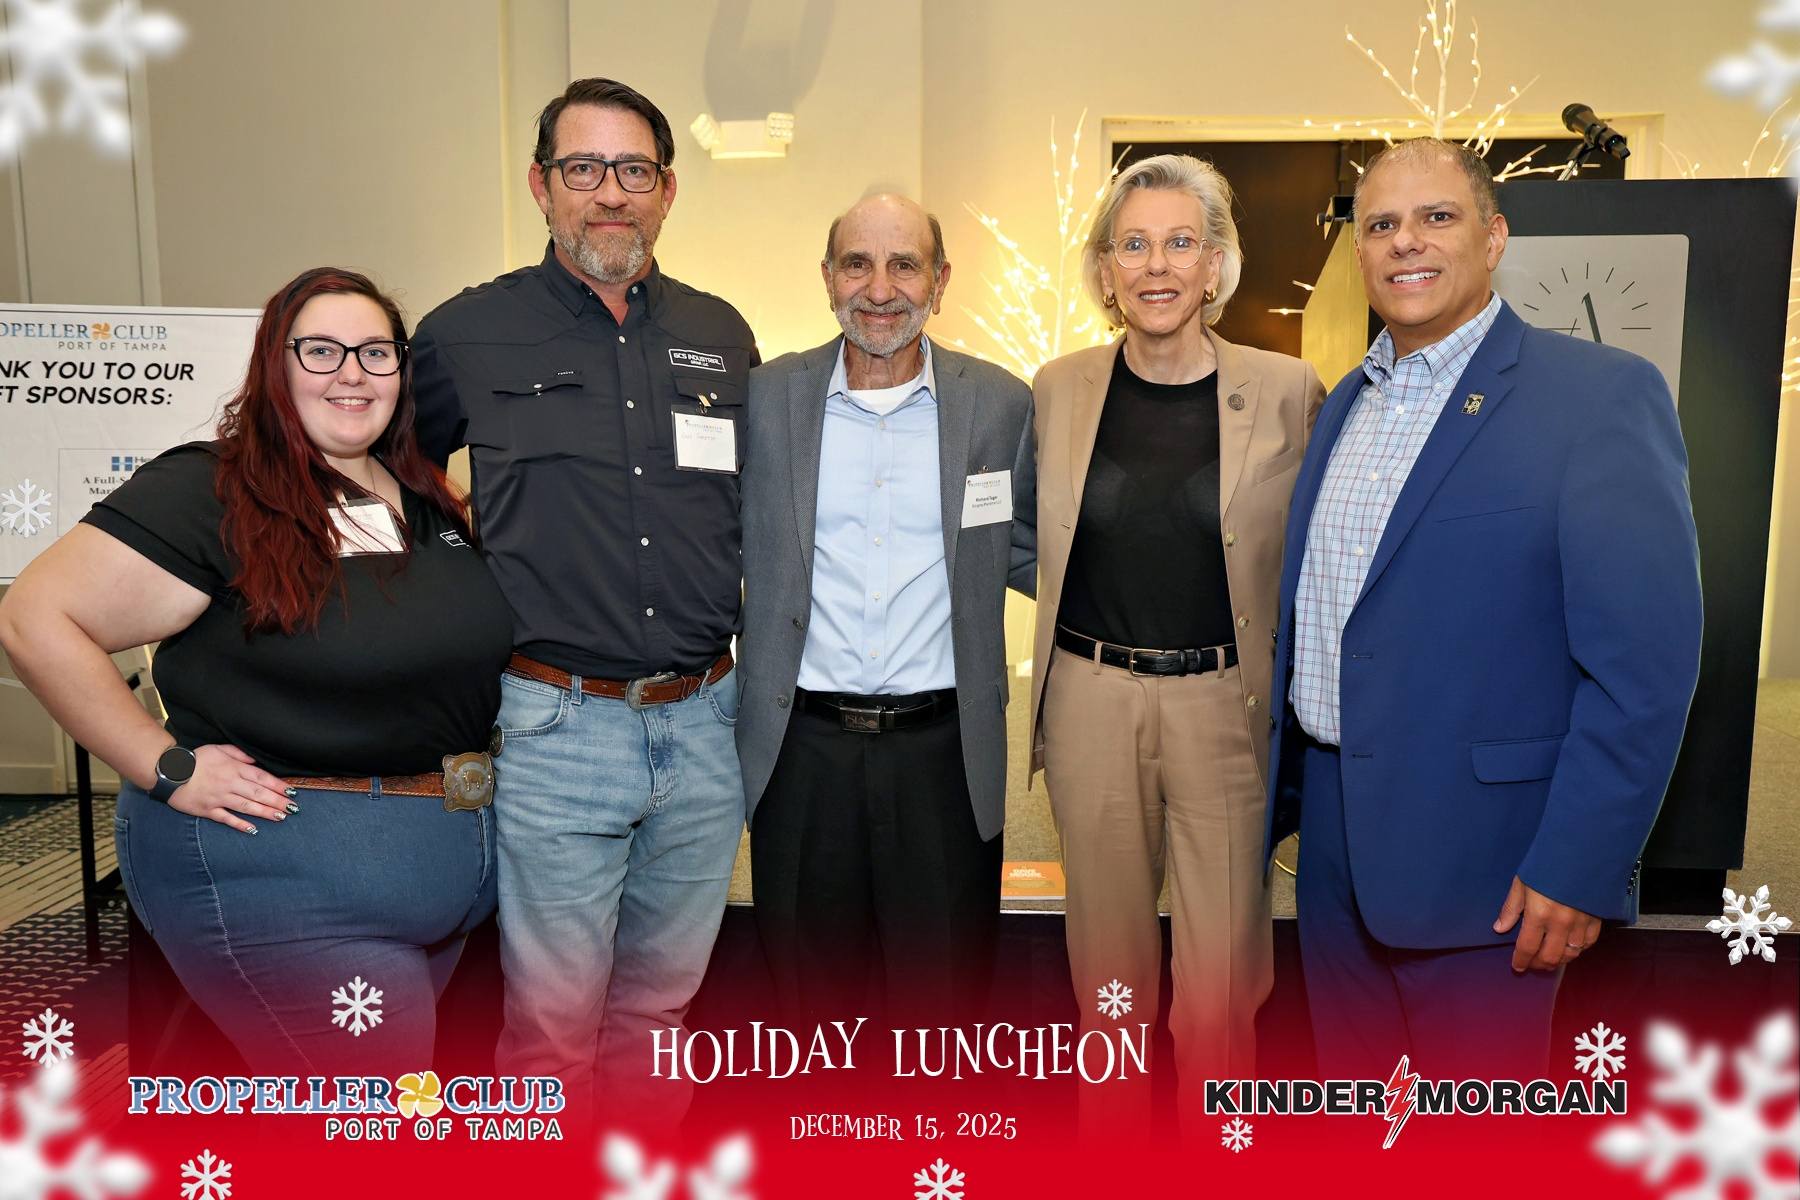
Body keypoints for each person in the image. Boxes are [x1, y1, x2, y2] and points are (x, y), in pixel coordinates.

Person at [0, 268, 511, 1073]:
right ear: (276, 364)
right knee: (372, 1127)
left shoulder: (421, 492)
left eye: (376, 352)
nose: (352, 372)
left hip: (439, 877)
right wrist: (161, 765)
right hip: (279, 878)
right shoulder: (211, 487)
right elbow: (35, 617)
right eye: (322, 350)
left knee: (371, 1125)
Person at [1267, 137, 1702, 1079]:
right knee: (1356, 1134)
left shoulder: (1598, 398)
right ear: (1358, 252)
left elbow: (1644, 671)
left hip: (1492, 869)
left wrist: (1579, 863)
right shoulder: (1346, 402)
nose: (1404, 242)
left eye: (1437, 217)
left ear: (1495, 237)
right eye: (1380, 223)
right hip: (1336, 855)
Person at [409, 78, 757, 1127]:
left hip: (705, 726)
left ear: (668, 190)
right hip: (555, 726)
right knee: (553, 1029)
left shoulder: (721, 334)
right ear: (541, 185)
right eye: (583, 169)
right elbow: (394, 480)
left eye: (634, 171)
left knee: (661, 1015)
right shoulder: (466, 333)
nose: (611, 194)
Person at [1028, 154, 1325, 1132]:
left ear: (1217, 264)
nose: (1158, 266)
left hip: (1223, 706)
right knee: (1106, 976)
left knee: (1223, 980)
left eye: (1181, 243)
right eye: (1135, 245)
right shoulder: (1057, 388)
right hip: (1090, 698)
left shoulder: (1288, 391)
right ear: (1106, 270)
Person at [738, 194, 1034, 1025]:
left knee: (941, 1020)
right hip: (802, 755)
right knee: (807, 1015)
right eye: (857, 263)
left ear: (940, 282)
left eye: (904, 264)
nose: (880, 287)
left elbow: (1047, 546)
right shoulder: (764, 401)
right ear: (827, 277)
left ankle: (928, 1156)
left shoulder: (1002, 407)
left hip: (945, 755)